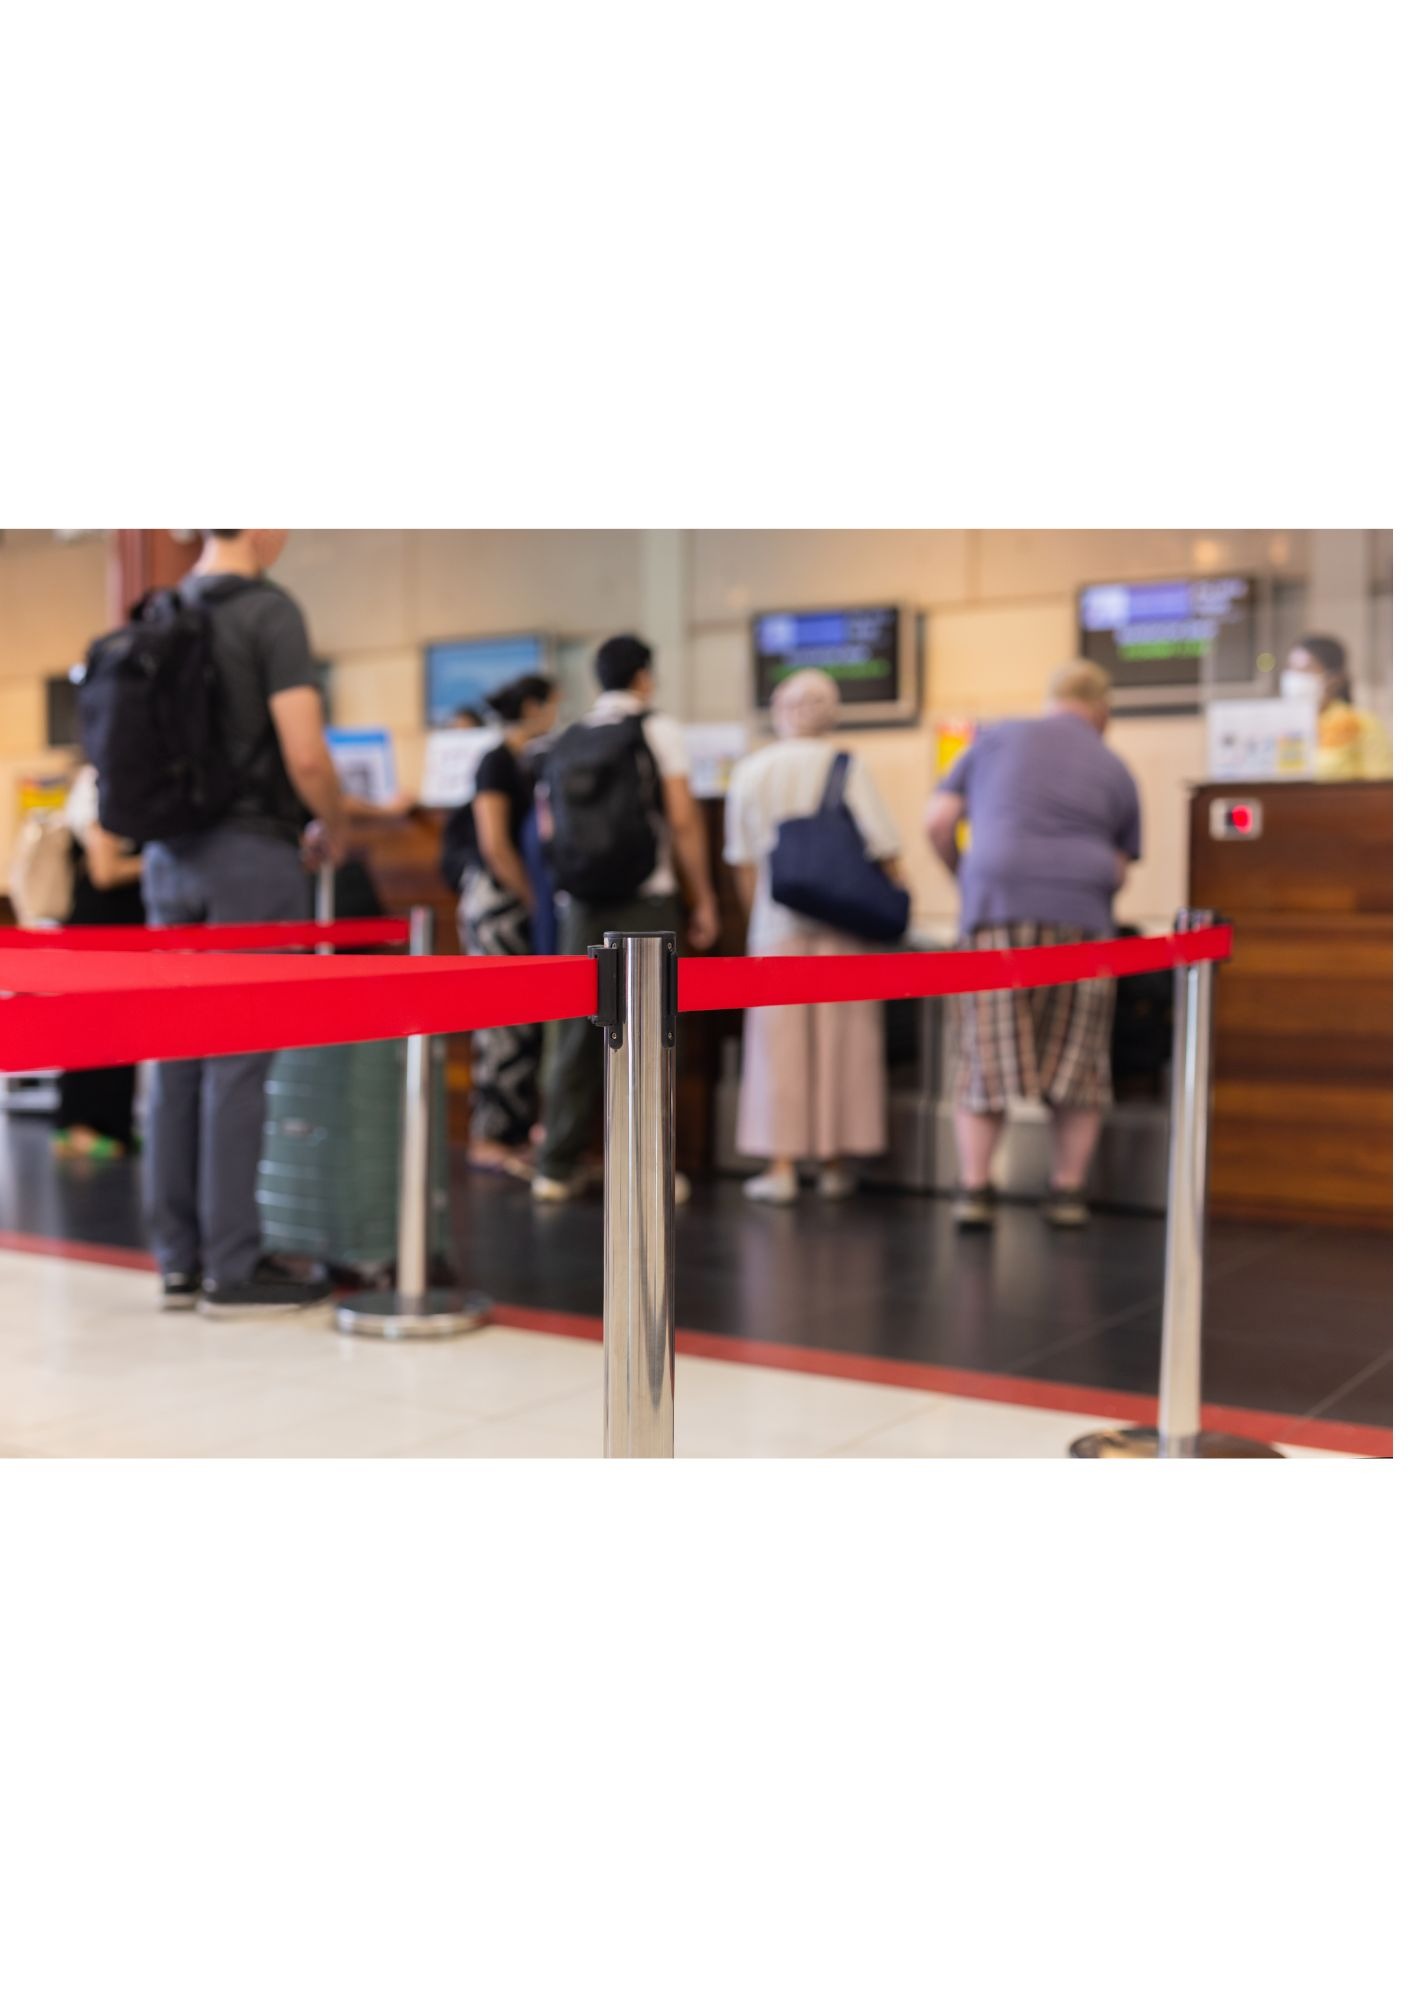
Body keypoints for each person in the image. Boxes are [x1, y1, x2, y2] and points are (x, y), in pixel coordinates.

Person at [141, 530, 350, 1316]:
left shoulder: (163, 609)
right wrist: (336, 825)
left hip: (168, 856)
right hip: (250, 855)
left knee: (176, 1057)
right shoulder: (269, 611)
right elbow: (306, 756)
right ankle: (232, 1267)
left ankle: (178, 1262)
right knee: (236, 1059)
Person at [925, 659, 1142, 1231]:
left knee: (985, 1053)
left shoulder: (997, 737)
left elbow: (938, 821)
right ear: (1103, 711)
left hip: (996, 909)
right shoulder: (1113, 764)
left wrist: (968, 878)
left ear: (1051, 700)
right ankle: (1067, 1193)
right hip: (1083, 920)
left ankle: (975, 1189)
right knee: (1077, 1061)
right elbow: (1120, 868)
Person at [533, 634, 719, 1203]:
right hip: (646, 895)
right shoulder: (657, 729)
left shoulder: (568, 737)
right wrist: (704, 896)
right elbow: (682, 819)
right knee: (650, 1032)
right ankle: (650, 1169)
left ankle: (555, 1166)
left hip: (579, 901)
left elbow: (547, 827)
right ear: (644, 677)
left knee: (574, 1031)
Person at [724, 669, 903, 1205]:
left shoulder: (752, 770)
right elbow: (884, 845)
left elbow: (743, 861)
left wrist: (758, 917)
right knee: (842, 1043)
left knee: (777, 1047)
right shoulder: (846, 765)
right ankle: (834, 1161)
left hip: (774, 926)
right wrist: (898, 900)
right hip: (842, 925)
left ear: (778, 710)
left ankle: (779, 1166)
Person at [456, 673, 560, 1178]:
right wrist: (534, 899)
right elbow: (494, 844)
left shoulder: (530, 760)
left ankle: (515, 1134)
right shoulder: (496, 761)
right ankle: (489, 1138)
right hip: (499, 903)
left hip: (517, 901)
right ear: (534, 706)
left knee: (521, 1024)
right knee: (499, 1021)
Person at [51, 763, 146, 1160]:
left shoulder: (136, 782)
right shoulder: (97, 784)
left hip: (126, 931)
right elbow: (105, 871)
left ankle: (114, 1124)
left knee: (123, 1030)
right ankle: (75, 1128)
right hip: (97, 928)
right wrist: (161, 862)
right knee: (89, 1027)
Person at [1282, 634, 1392, 780]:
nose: (1295, 677)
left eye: (1306, 669)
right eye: (1291, 668)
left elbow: (1380, 782)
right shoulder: (1284, 725)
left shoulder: (1361, 722)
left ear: (1334, 679)